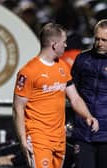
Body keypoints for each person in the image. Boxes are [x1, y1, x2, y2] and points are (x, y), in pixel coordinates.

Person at [12, 22, 99, 168]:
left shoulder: (62, 67)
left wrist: (88, 116)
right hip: (38, 138)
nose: (65, 46)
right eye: (64, 42)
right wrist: (22, 140)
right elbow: (17, 108)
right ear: (54, 44)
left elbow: (75, 98)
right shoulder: (28, 71)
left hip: (59, 138)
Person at [71, 19, 107, 168]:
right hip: (83, 132)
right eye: (97, 39)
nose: (100, 43)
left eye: (104, 40)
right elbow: (72, 92)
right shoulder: (82, 59)